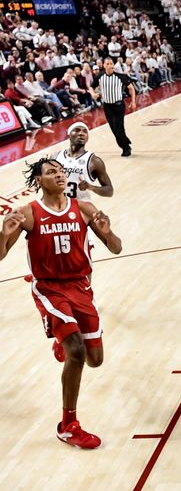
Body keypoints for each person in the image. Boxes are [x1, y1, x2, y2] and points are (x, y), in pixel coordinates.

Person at [0, 158, 122, 449]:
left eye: (60, 170)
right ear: (39, 181)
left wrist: (106, 231)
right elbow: (0, 255)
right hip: (50, 290)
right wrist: (3, 234)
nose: (58, 174)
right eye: (51, 172)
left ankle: (62, 339)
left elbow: (117, 247)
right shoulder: (29, 213)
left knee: (95, 359)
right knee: (77, 351)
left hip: (81, 288)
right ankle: (68, 425)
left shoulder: (84, 209)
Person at [53, 122, 114, 201]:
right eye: (77, 130)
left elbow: (109, 191)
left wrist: (91, 187)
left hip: (80, 207)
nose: (81, 133)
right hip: (57, 206)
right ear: (69, 135)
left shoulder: (94, 161)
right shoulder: (56, 156)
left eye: (85, 131)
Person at [96, 57, 137, 157]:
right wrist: (93, 93)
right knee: (114, 129)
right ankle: (125, 144)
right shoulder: (100, 76)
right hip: (107, 107)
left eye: (111, 63)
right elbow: (90, 86)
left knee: (119, 128)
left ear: (113, 65)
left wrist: (133, 101)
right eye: (107, 64)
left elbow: (131, 88)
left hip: (118, 106)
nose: (109, 65)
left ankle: (126, 147)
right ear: (104, 65)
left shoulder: (121, 76)